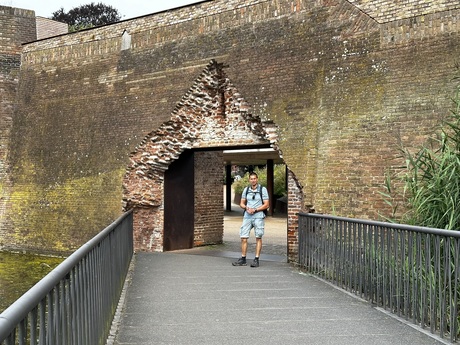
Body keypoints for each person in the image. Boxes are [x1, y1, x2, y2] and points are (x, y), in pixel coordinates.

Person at [232, 172, 269, 268]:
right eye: (251, 179)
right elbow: (241, 203)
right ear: (249, 180)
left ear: (257, 179)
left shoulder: (262, 189)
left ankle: (256, 259)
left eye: (254, 178)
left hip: (258, 216)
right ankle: (243, 258)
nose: (253, 180)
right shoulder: (246, 190)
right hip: (247, 216)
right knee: (243, 237)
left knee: (258, 237)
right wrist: (246, 208)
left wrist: (256, 209)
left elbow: (266, 204)